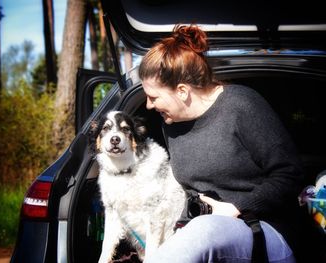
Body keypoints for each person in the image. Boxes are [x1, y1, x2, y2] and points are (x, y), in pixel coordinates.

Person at [138, 24, 326, 263]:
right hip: (201, 231)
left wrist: (237, 206)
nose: (148, 105)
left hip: (268, 229)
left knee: (204, 232)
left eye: (153, 97)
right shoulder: (170, 124)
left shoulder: (241, 105)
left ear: (183, 91)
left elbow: (290, 175)